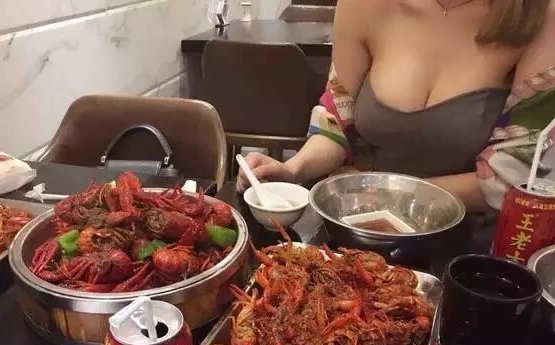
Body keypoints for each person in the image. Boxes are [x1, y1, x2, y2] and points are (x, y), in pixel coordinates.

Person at [237, 0, 555, 211]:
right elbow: (337, 119)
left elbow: (513, 176)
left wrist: (388, 196)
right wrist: (294, 169)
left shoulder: (539, 16)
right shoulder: (365, 5)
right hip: (359, 225)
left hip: (470, 250)